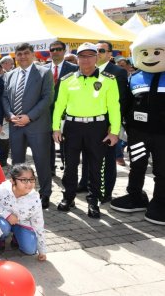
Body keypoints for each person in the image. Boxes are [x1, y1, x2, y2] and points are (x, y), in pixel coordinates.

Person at [53, 42, 121, 219]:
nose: (86, 59)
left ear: (97, 58)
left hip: (97, 128)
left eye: (90, 55)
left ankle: (93, 201)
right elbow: (59, 105)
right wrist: (55, 128)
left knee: (95, 167)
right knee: (70, 167)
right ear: (77, 58)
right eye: (82, 56)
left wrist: (114, 132)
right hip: (72, 127)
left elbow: (114, 107)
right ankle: (69, 198)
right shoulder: (67, 79)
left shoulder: (108, 79)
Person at [111, 25, 165, 225]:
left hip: (163, 135)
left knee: (162, 169)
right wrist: (125, 125)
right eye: (146, 52)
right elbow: (127, 104)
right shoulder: (135, 77)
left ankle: (161, 202)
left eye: (157, 52)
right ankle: (135, 196)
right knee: (137, 165)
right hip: (138, 133)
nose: (151, 57)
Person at [2, 43, 54, 208]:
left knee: (41, 161)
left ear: (32, 54)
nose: (22, 56)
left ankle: (45, 194)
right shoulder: (9, 75)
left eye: (26, 53)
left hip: (37, 126)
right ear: (15, 57)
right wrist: (10, 115)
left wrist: (29, 117)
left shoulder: (44, 72)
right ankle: (18, 191)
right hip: (15, 125)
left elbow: (47, 98)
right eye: (19, 54)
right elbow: (4, 97)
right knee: (17, 162)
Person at [78, 41, 128, 203]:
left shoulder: (117, 72)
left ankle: (106, 192)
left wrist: (113, 127)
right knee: (87, 156)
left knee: (107, 159)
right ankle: (86, 183)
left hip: (106, 125)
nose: (97, 53)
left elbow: (119, 102)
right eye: (95, 50)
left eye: (101, 50)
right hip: (86, 125)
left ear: (109, 54)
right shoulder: (83, 71)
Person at [0, 164, 47, 261]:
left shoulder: (34, 197)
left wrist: (42, 250)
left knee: (31, 250)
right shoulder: (0, 190)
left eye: (31, 179)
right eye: (23, 180)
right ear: (12, 180)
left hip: (22, 224)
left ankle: (16, 237)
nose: (29, 183)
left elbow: (38, 223)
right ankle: (0, 239)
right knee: (3, 227)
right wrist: (7, 215)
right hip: (3, 221)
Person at [44, 41, 78, 175]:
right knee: (47, 142)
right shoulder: (43, 69)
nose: (55, 52)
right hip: (46, 112)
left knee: (66, 143)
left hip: (65, 112)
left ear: (64, 51)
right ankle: (50, 168)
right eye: (53, 50)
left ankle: (67, 169)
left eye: (58, 49)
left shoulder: (75, 69)